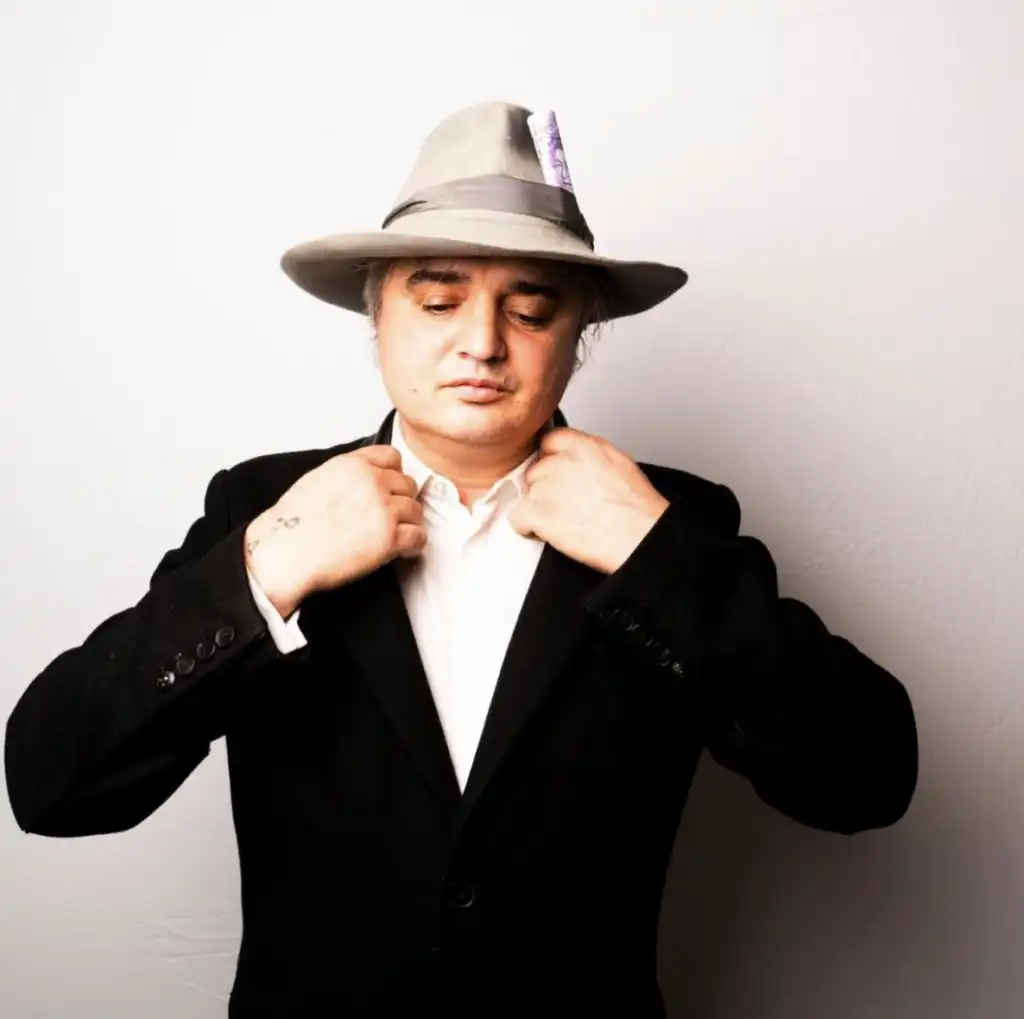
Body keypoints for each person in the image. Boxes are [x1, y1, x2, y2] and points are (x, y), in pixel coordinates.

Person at [4, 101, 918, 1018]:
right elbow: (51, 783)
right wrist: (262, 576)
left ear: (578, 333)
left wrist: (656, 560)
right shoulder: (263, 507)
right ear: (377, 316)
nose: (481, 342)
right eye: (439, 301)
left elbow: (868, 779)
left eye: (530, 309)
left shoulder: (674, 522)